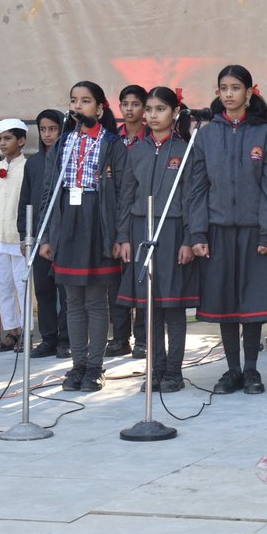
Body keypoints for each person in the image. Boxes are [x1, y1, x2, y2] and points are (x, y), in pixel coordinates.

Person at [189, 65, 267, 395]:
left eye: (235, 88)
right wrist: (197, 233)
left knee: (252, 304)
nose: (229, 94)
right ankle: (231, 370)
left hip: (254, 231)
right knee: (226, 303)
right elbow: (197, 188)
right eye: (223, 88)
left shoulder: (265, 134)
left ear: (249, 92)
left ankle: (252, 370)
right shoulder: (206, 134)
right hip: (217, 230)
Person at [39, 81, 128, 393]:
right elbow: (50, 192)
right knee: (72, 301)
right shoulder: (63, 144)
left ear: (100, 108)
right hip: (68, 223)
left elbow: (122, 194)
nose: (78, 107)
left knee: (95, 300)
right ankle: (76, 365)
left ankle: (95, 366)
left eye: (86, 101)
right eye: (74, 101)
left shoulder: (113, 144)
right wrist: (47, 235)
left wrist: (120, 235)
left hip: (98, 222)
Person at [115, 87, 201, 393]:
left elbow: (191, 197)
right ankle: (154, 369)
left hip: (174, 230)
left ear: (175, 112)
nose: (152, 115)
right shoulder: (135, 150)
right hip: (141, 230)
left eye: (160, 109)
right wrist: (123, 235)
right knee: (148, 307)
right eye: (148, 109)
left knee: (172, 306)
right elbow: (125, 196)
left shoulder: (185, 149)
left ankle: (173, 371)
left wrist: (189, 239)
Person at [18, 109, 70, 359]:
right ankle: (48, 338)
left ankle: (66, 339)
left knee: (66, 291)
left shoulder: (69, 158)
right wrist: (24, 234)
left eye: (53, 129)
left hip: (63, 234)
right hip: (38, 236)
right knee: (44, 289)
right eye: (43, 129)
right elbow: (25, 200)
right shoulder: (34, 163)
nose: (48, 134)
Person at [109, 84, 150, 359]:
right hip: (116, 216)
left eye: (136, 104)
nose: (130, 109)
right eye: (125, 104)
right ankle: (120, 337)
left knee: (143, 278)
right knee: (118, 283)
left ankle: (144, 338)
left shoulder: (151, 140)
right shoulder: (114, 141)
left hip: (143, 217)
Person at [0, 118, 30, 354]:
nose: (3, 143)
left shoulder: (28, 168)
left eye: (8, 138)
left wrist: (28, 237)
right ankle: (11, 330)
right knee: (2, 285)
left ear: (21, 141)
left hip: (18, 237)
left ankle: (26, 331)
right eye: (0, 139)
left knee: (22, 285)